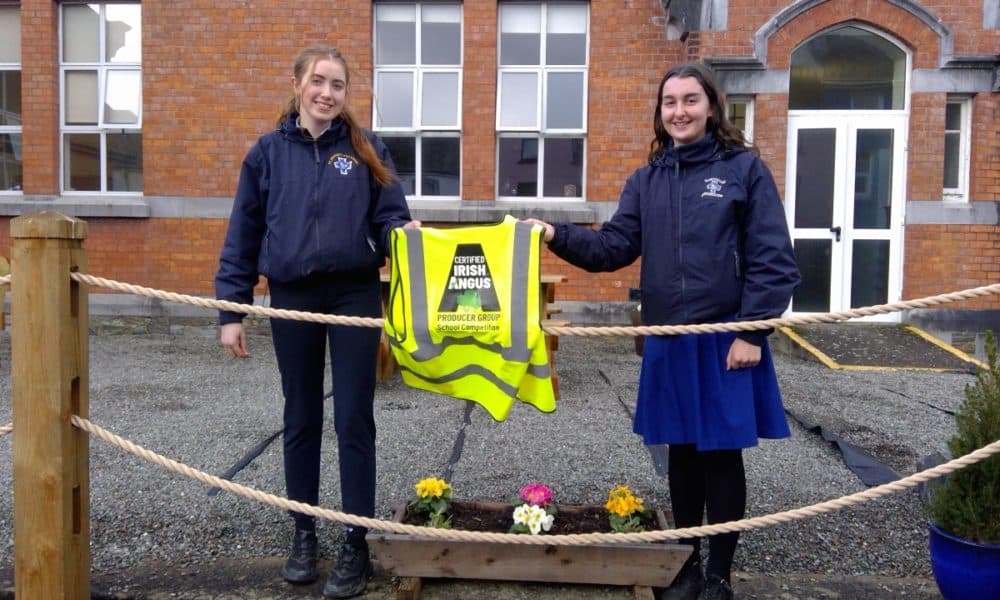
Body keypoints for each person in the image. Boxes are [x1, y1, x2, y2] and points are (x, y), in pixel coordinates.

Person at [525, 62, 800, 600]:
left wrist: (753, 333)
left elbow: (774, 259)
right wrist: (556, 233)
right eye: (669, 102)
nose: (679, 111)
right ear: (660, 112)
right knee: (681, 453)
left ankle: (720, 573)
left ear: (711, 107)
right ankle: (688, 564)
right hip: (670, 338)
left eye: (690, 100)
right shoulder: (646, 181)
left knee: (721, 455)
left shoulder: (744, 170)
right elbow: (613, 248)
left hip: (726, 338)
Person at [215, 44, 419, 599]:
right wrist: (232, 310)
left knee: (354, 418)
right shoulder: (266, 154)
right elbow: (243, 234)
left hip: (354, 293)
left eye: (338, 85)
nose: (328, 93)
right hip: (291, 295)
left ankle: (356, 542)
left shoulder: (365, 147)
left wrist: (398, 234)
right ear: (298, 83)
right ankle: (303, 532)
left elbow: (390, 216)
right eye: (319, 82)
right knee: (301, 415)